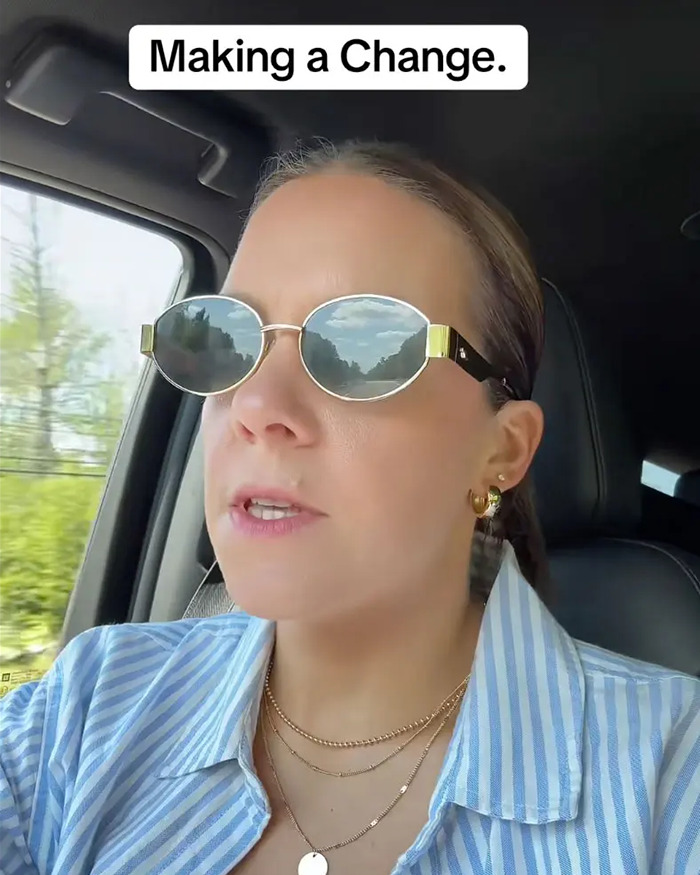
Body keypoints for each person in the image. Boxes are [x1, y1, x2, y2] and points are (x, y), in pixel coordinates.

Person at [1, 140, 698, 875]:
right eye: (223, 339)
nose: (256, 406)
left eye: (363, 348)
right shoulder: (86, 708)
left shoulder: (671, 779)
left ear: (503, 450)